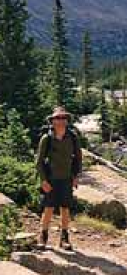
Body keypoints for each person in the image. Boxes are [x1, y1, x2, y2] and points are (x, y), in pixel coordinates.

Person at [35, 106, 82, 250]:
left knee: (65, 208)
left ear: (67, 121)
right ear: (52, 121)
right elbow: (39, 161)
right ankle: (43, 236)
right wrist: (43, 180)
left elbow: (78, 158)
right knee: (48, 208)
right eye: (57, 118)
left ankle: (64, 238)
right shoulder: (46, 138)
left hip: (67, 178)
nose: (60, 121)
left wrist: (76, 176)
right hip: (51, 179)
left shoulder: (73, 137)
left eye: (63, 118)